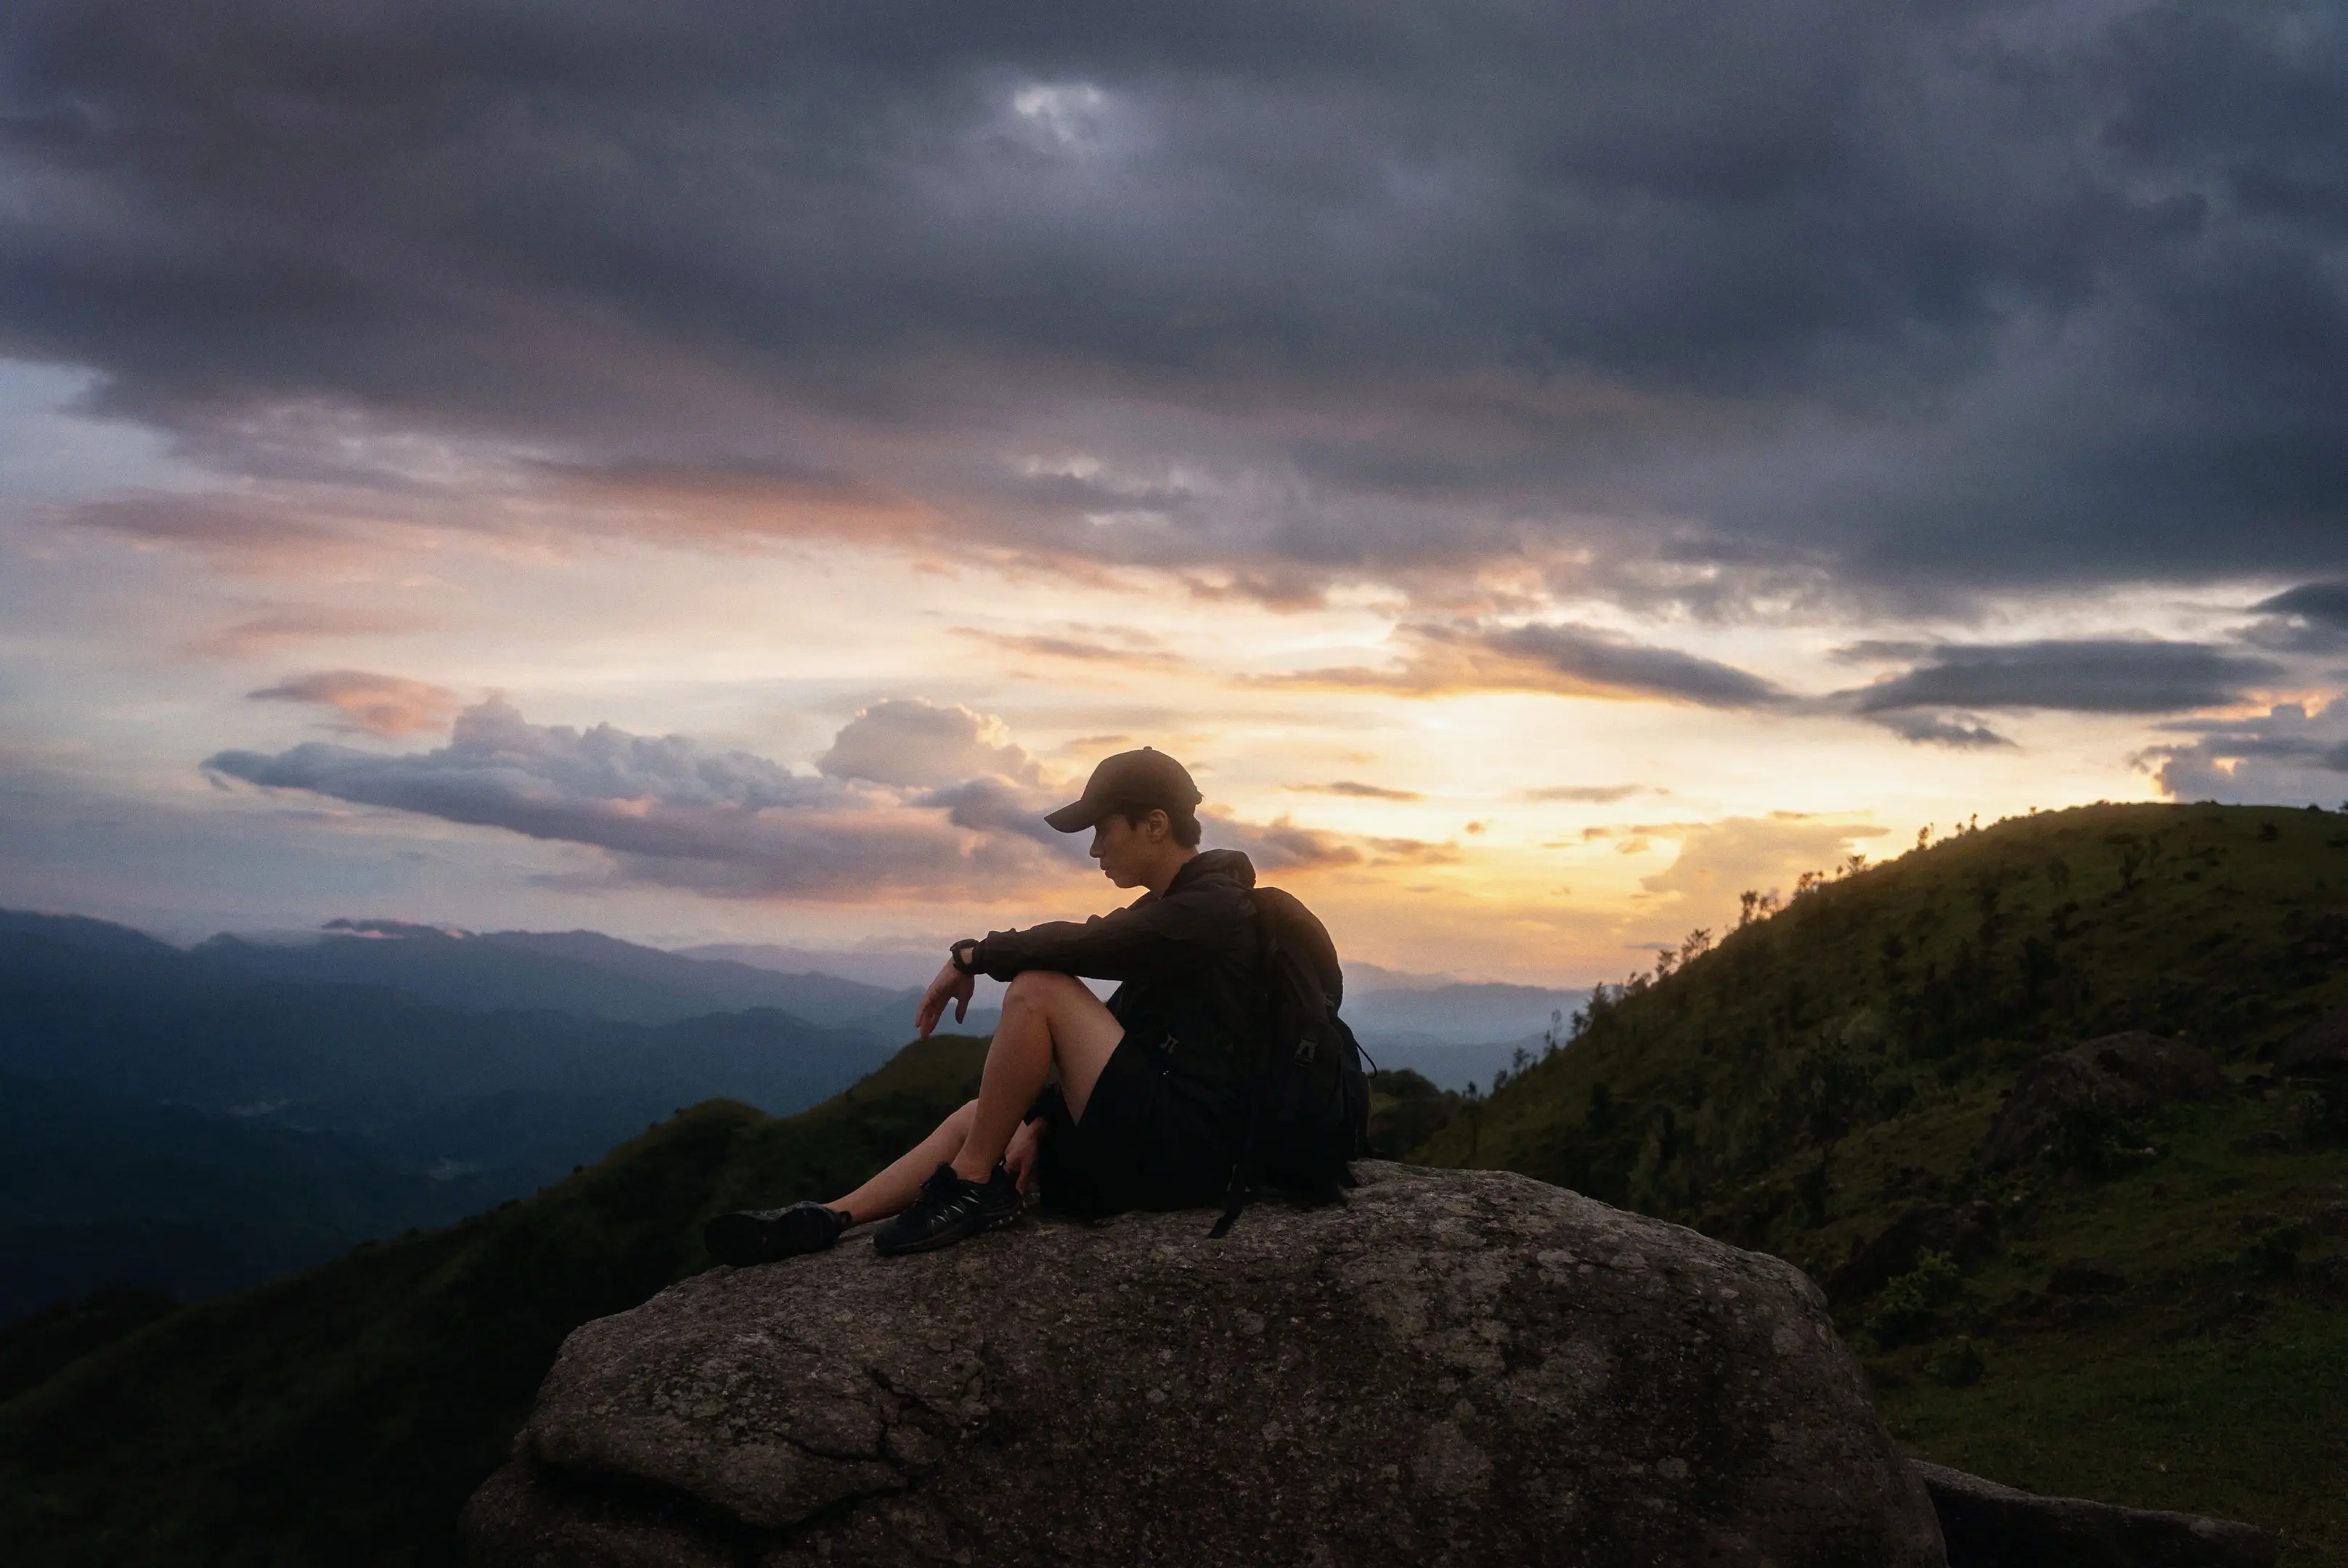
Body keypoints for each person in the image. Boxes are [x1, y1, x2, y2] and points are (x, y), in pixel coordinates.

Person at [704, 746, 1264, 1264]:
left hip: (1198, 1156)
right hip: (1177, 1139)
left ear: (1156, 824)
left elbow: (1088, 943)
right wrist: (1043, 1119)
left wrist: (975, 956)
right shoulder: (1178, 918)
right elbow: (1126, 1035)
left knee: (1039, 986)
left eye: (1102, 829)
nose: (1094, 849)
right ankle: (832, 1215)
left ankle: (971, 1188)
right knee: (983, 1120)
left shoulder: (1208, 910)